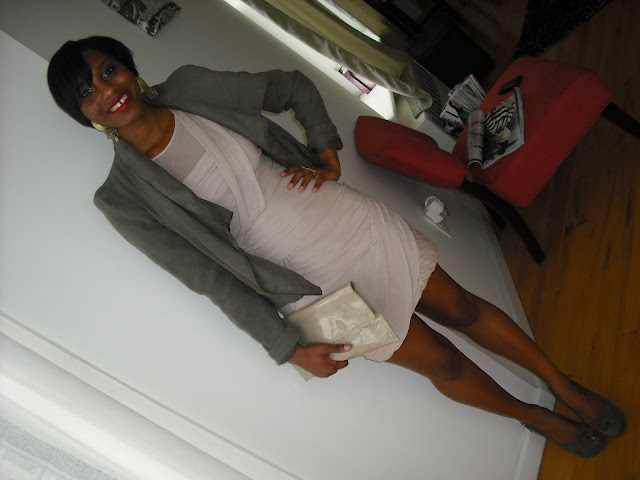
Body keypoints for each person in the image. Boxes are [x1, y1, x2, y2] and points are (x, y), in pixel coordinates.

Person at [47, 36, 625, 458]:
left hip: (338, 218)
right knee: (439, 362)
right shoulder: (122, 198)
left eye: (108, 70)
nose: (107, 90)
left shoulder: (190, 87)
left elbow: (291, 86)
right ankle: (533, 417)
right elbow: (209, 277)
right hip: (302, 286)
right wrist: (287, 347)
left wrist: (325, 149)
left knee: (463, 309)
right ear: (82, 115)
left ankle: (562, 385)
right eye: (87, 92)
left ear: (128, 68)